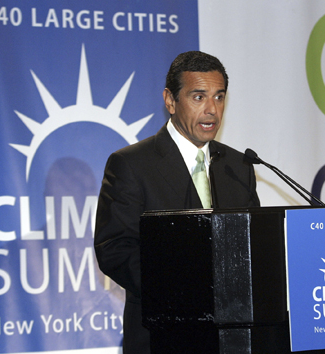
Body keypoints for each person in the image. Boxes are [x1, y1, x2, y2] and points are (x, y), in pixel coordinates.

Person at [94, 51, 260, 353]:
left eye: (219, 97)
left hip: (234, 338)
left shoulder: (238, 166)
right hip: (163, 336)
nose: (212, 109)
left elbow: (255, 244)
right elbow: (115, 249)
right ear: (170, 101)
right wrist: (186, 291)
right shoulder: (131, 164)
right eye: (199, 97)